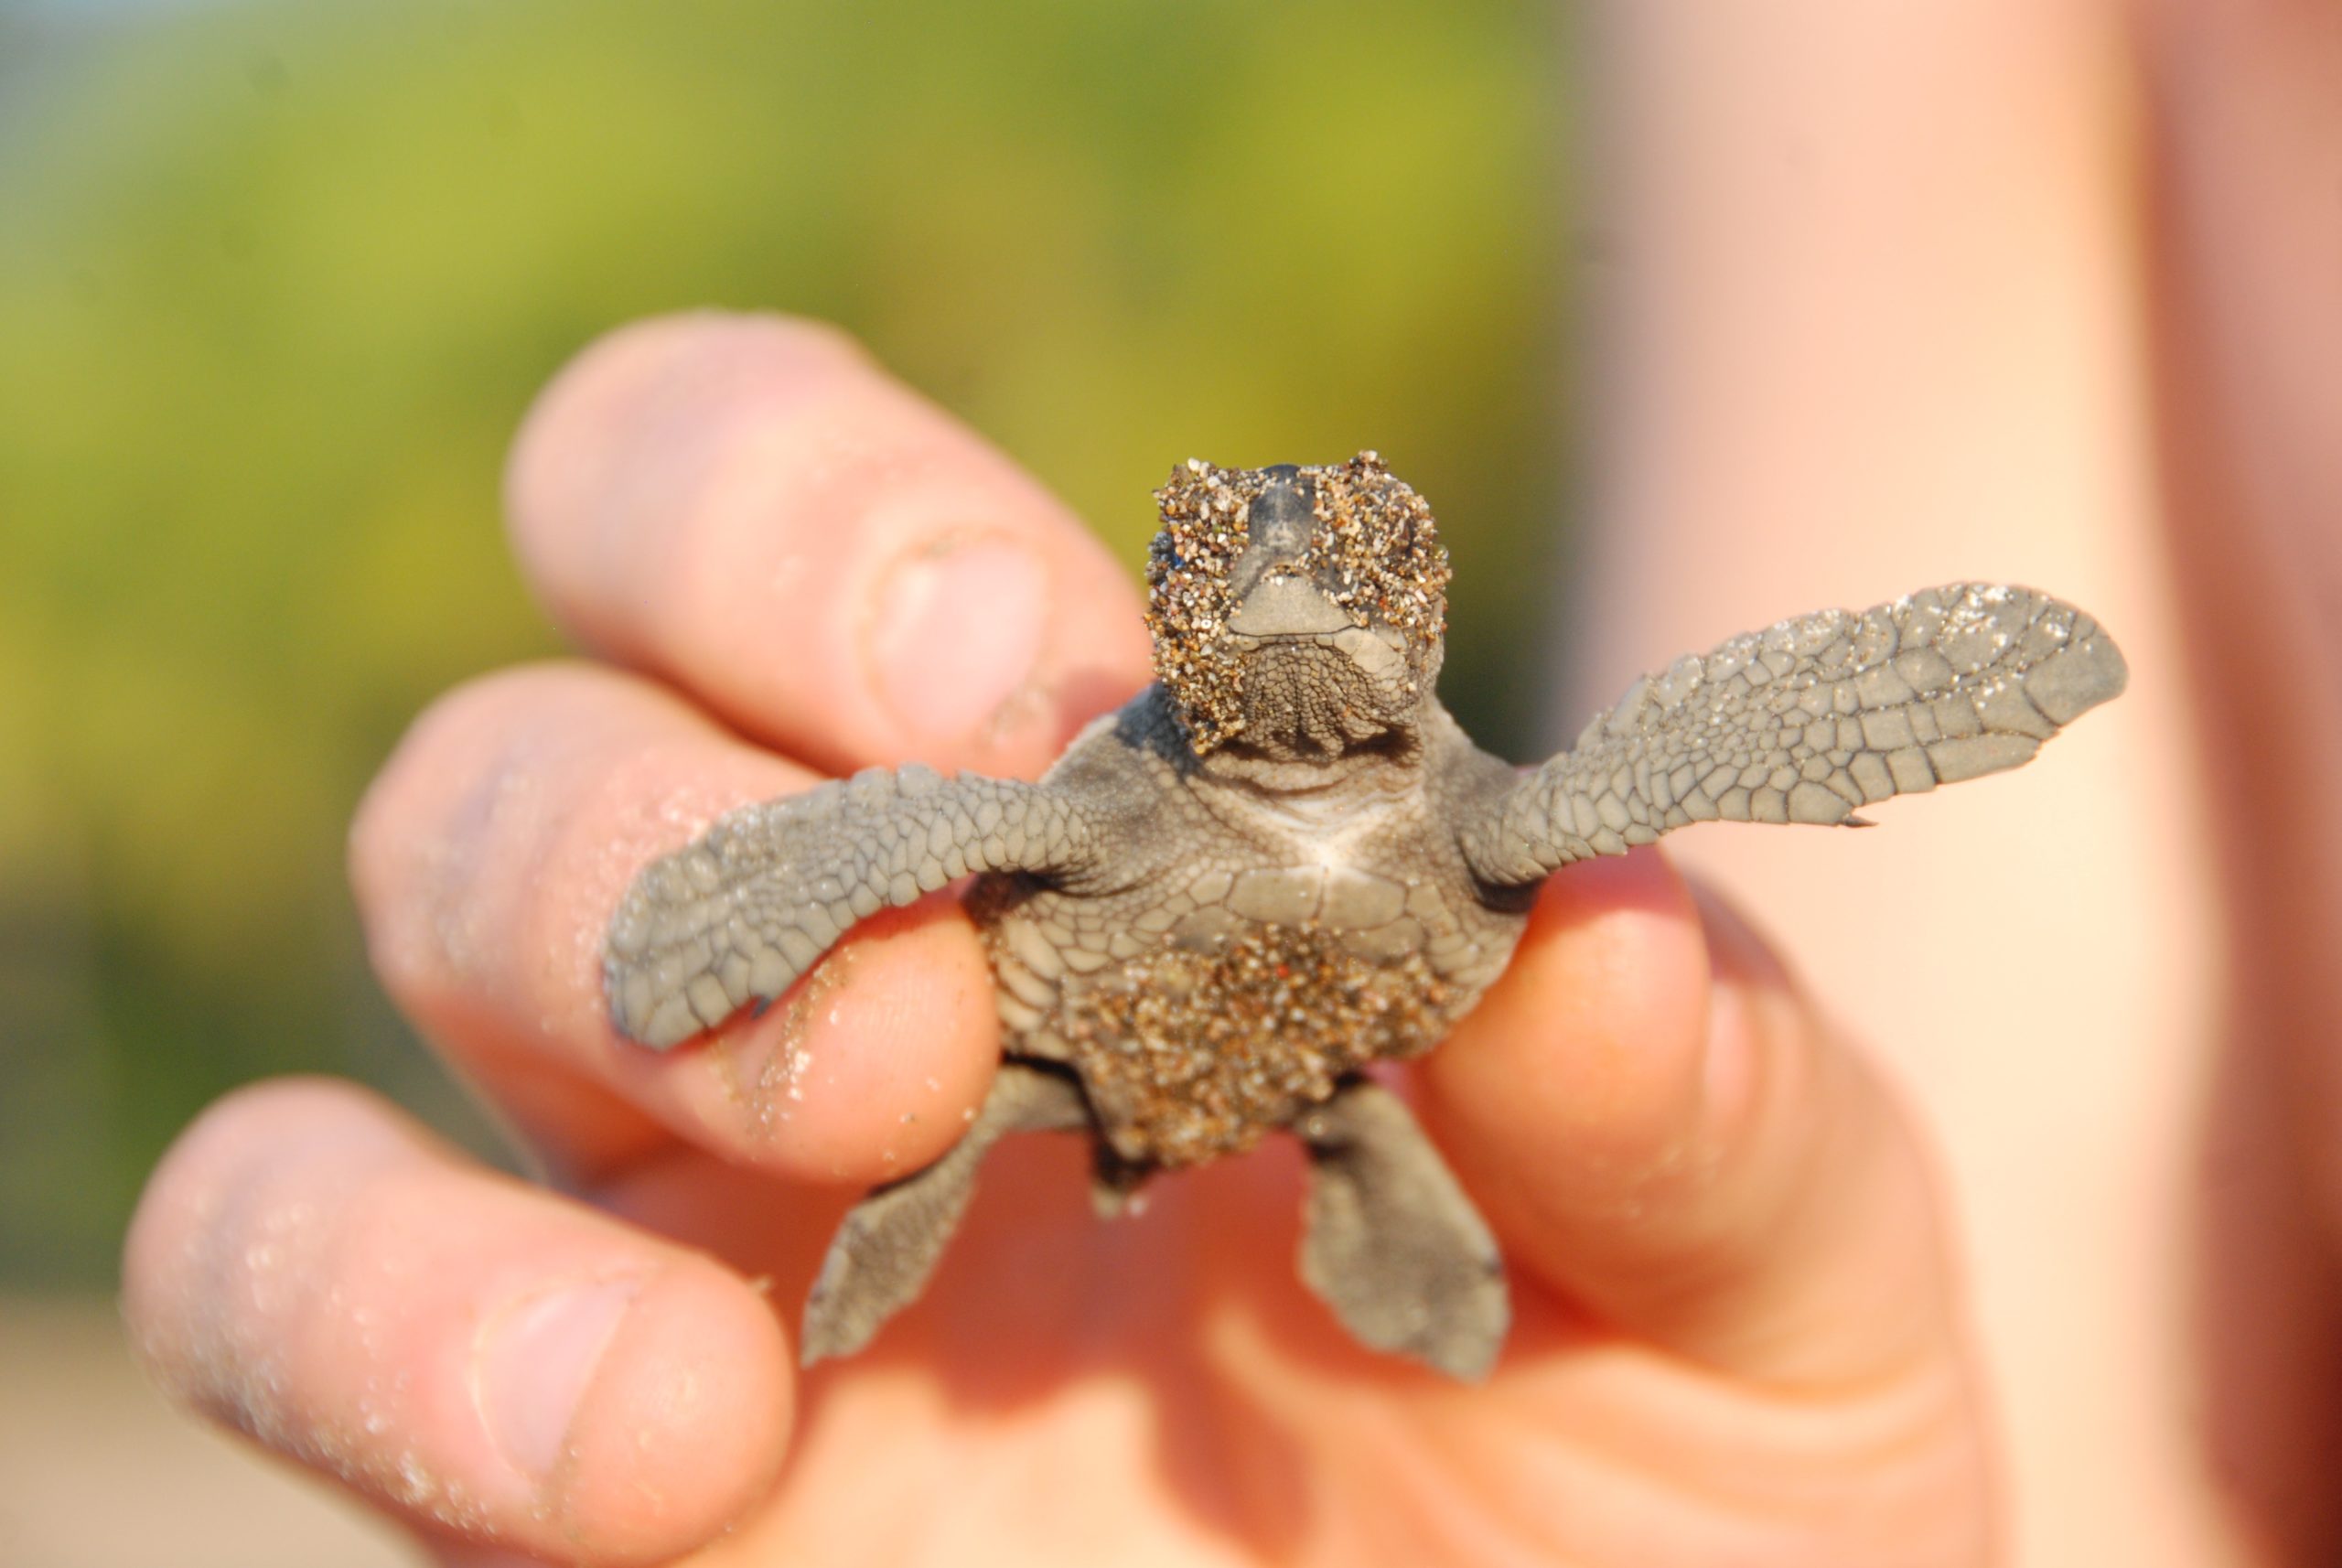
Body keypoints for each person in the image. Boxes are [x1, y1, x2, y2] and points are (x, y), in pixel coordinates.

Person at [121, 3, 2341, 1563]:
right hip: (1036, 1111)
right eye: (1228, 556)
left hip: (1338, 1099)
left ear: (1410, 602)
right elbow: (925, 827)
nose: (1287, 584)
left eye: (1342, 554)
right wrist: (712, 913)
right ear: (1184, 608)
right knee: (890, 996)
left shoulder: (1506, 826)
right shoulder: (1136, 814)